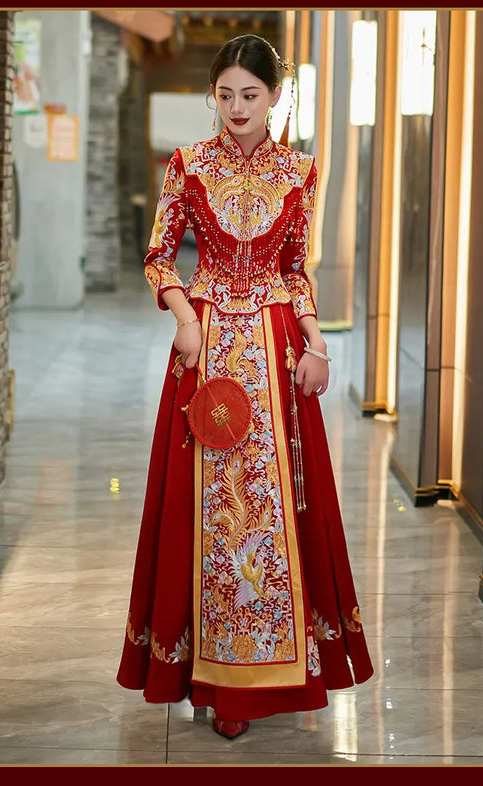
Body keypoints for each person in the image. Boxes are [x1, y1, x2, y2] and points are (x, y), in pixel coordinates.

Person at [116, 33, 374, 740]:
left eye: (250, 95)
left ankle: (263, 672)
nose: (236, 107)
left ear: (275, 97)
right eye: (225, 94)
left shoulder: (300, 172)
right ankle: (205, 670)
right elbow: (159, 254)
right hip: (203, 359)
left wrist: (316, 338)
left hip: (274, 358)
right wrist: (183, 318)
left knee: (273, 514)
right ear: (214, 96)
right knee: (202, 510)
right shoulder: (187, 165)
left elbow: (295, 270)